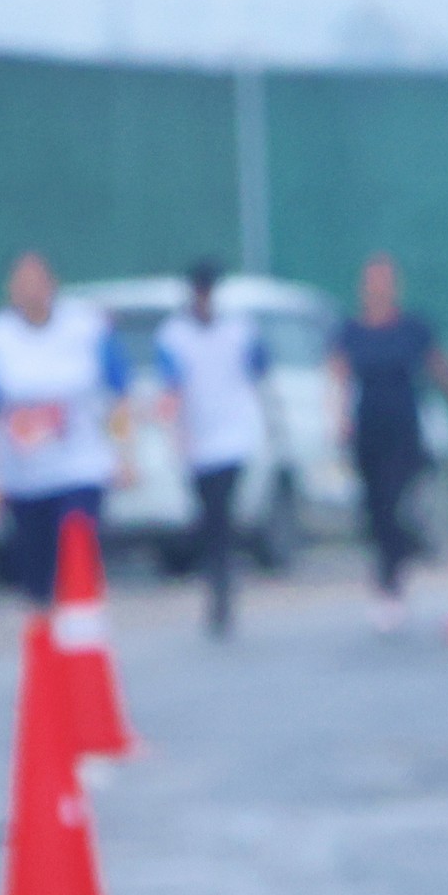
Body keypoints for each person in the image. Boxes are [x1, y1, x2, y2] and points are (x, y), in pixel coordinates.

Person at [0, 251, 132, 604]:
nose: (31, 291)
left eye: (37, 282)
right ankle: (44, 629)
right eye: (22, 283)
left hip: (79, 467)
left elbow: (118, 396)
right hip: (24, 476)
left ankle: (82, 623)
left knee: (76, 547)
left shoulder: (86, 328)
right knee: (36, 576)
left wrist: (125, 453)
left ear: (52, 284)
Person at [330, 252, 448, 630]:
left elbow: (441, 368)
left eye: (386, 281)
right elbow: (338, 377)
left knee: (399, 501)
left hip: (404, 430)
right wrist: (339, 419)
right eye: (373, 282)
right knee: (376, 510)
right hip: (368, 431)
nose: (379, 289)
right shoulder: (352, 332)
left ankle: (397, 571)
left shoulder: (412, 328)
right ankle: (388, 581)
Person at [154, 258, 269, 639]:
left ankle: (221, 589)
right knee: (209, 515)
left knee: (220, 512)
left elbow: (259, 368)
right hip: (197, 440)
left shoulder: (238, 329)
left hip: (233, 435)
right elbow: (171, 383)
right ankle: (218, 581)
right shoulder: (174, 335)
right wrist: (172, 426)